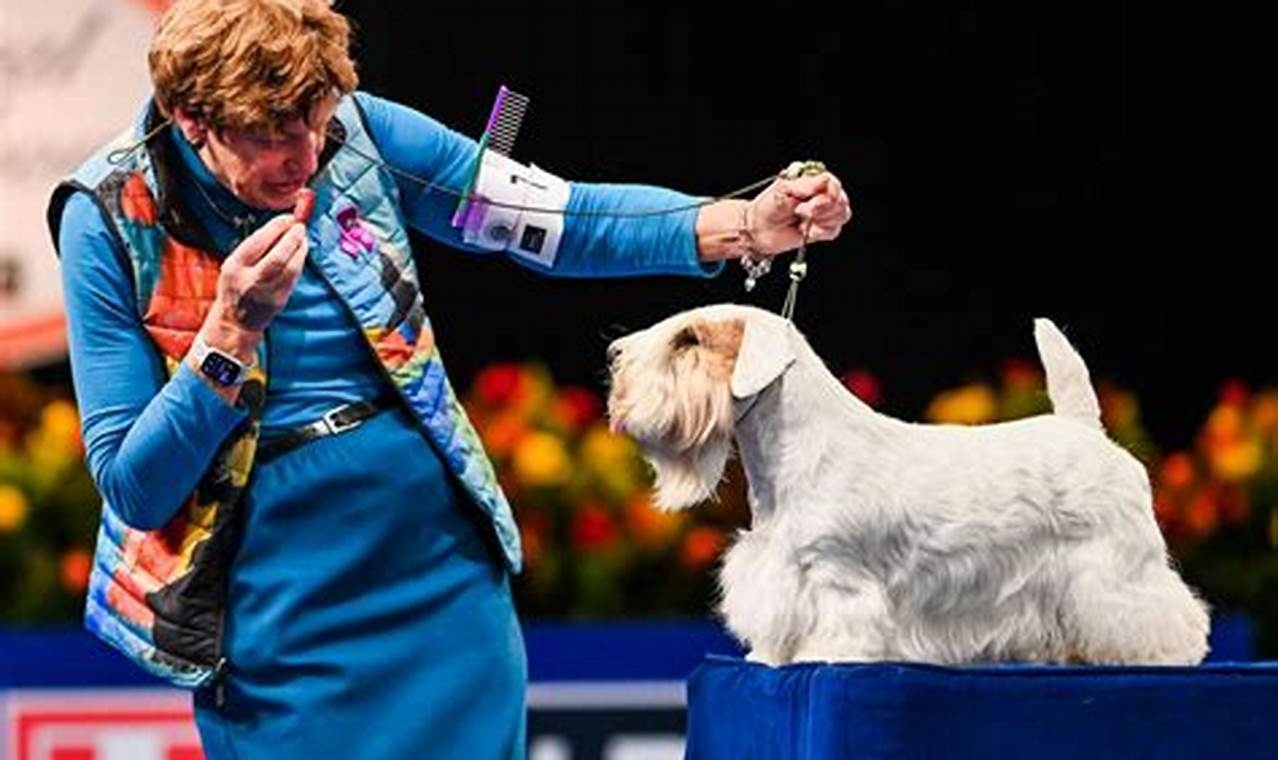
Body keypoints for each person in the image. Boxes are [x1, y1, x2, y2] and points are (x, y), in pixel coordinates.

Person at [46, 0, 852, 757]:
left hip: (438, 570)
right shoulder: (109, 213)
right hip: (270, 608)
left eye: (318, 125)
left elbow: (561, 222)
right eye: (272, 136)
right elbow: (135, 487)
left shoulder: (357, 135)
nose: (306, 158)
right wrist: (230, 333)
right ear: (193, 120)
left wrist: (745, 223)